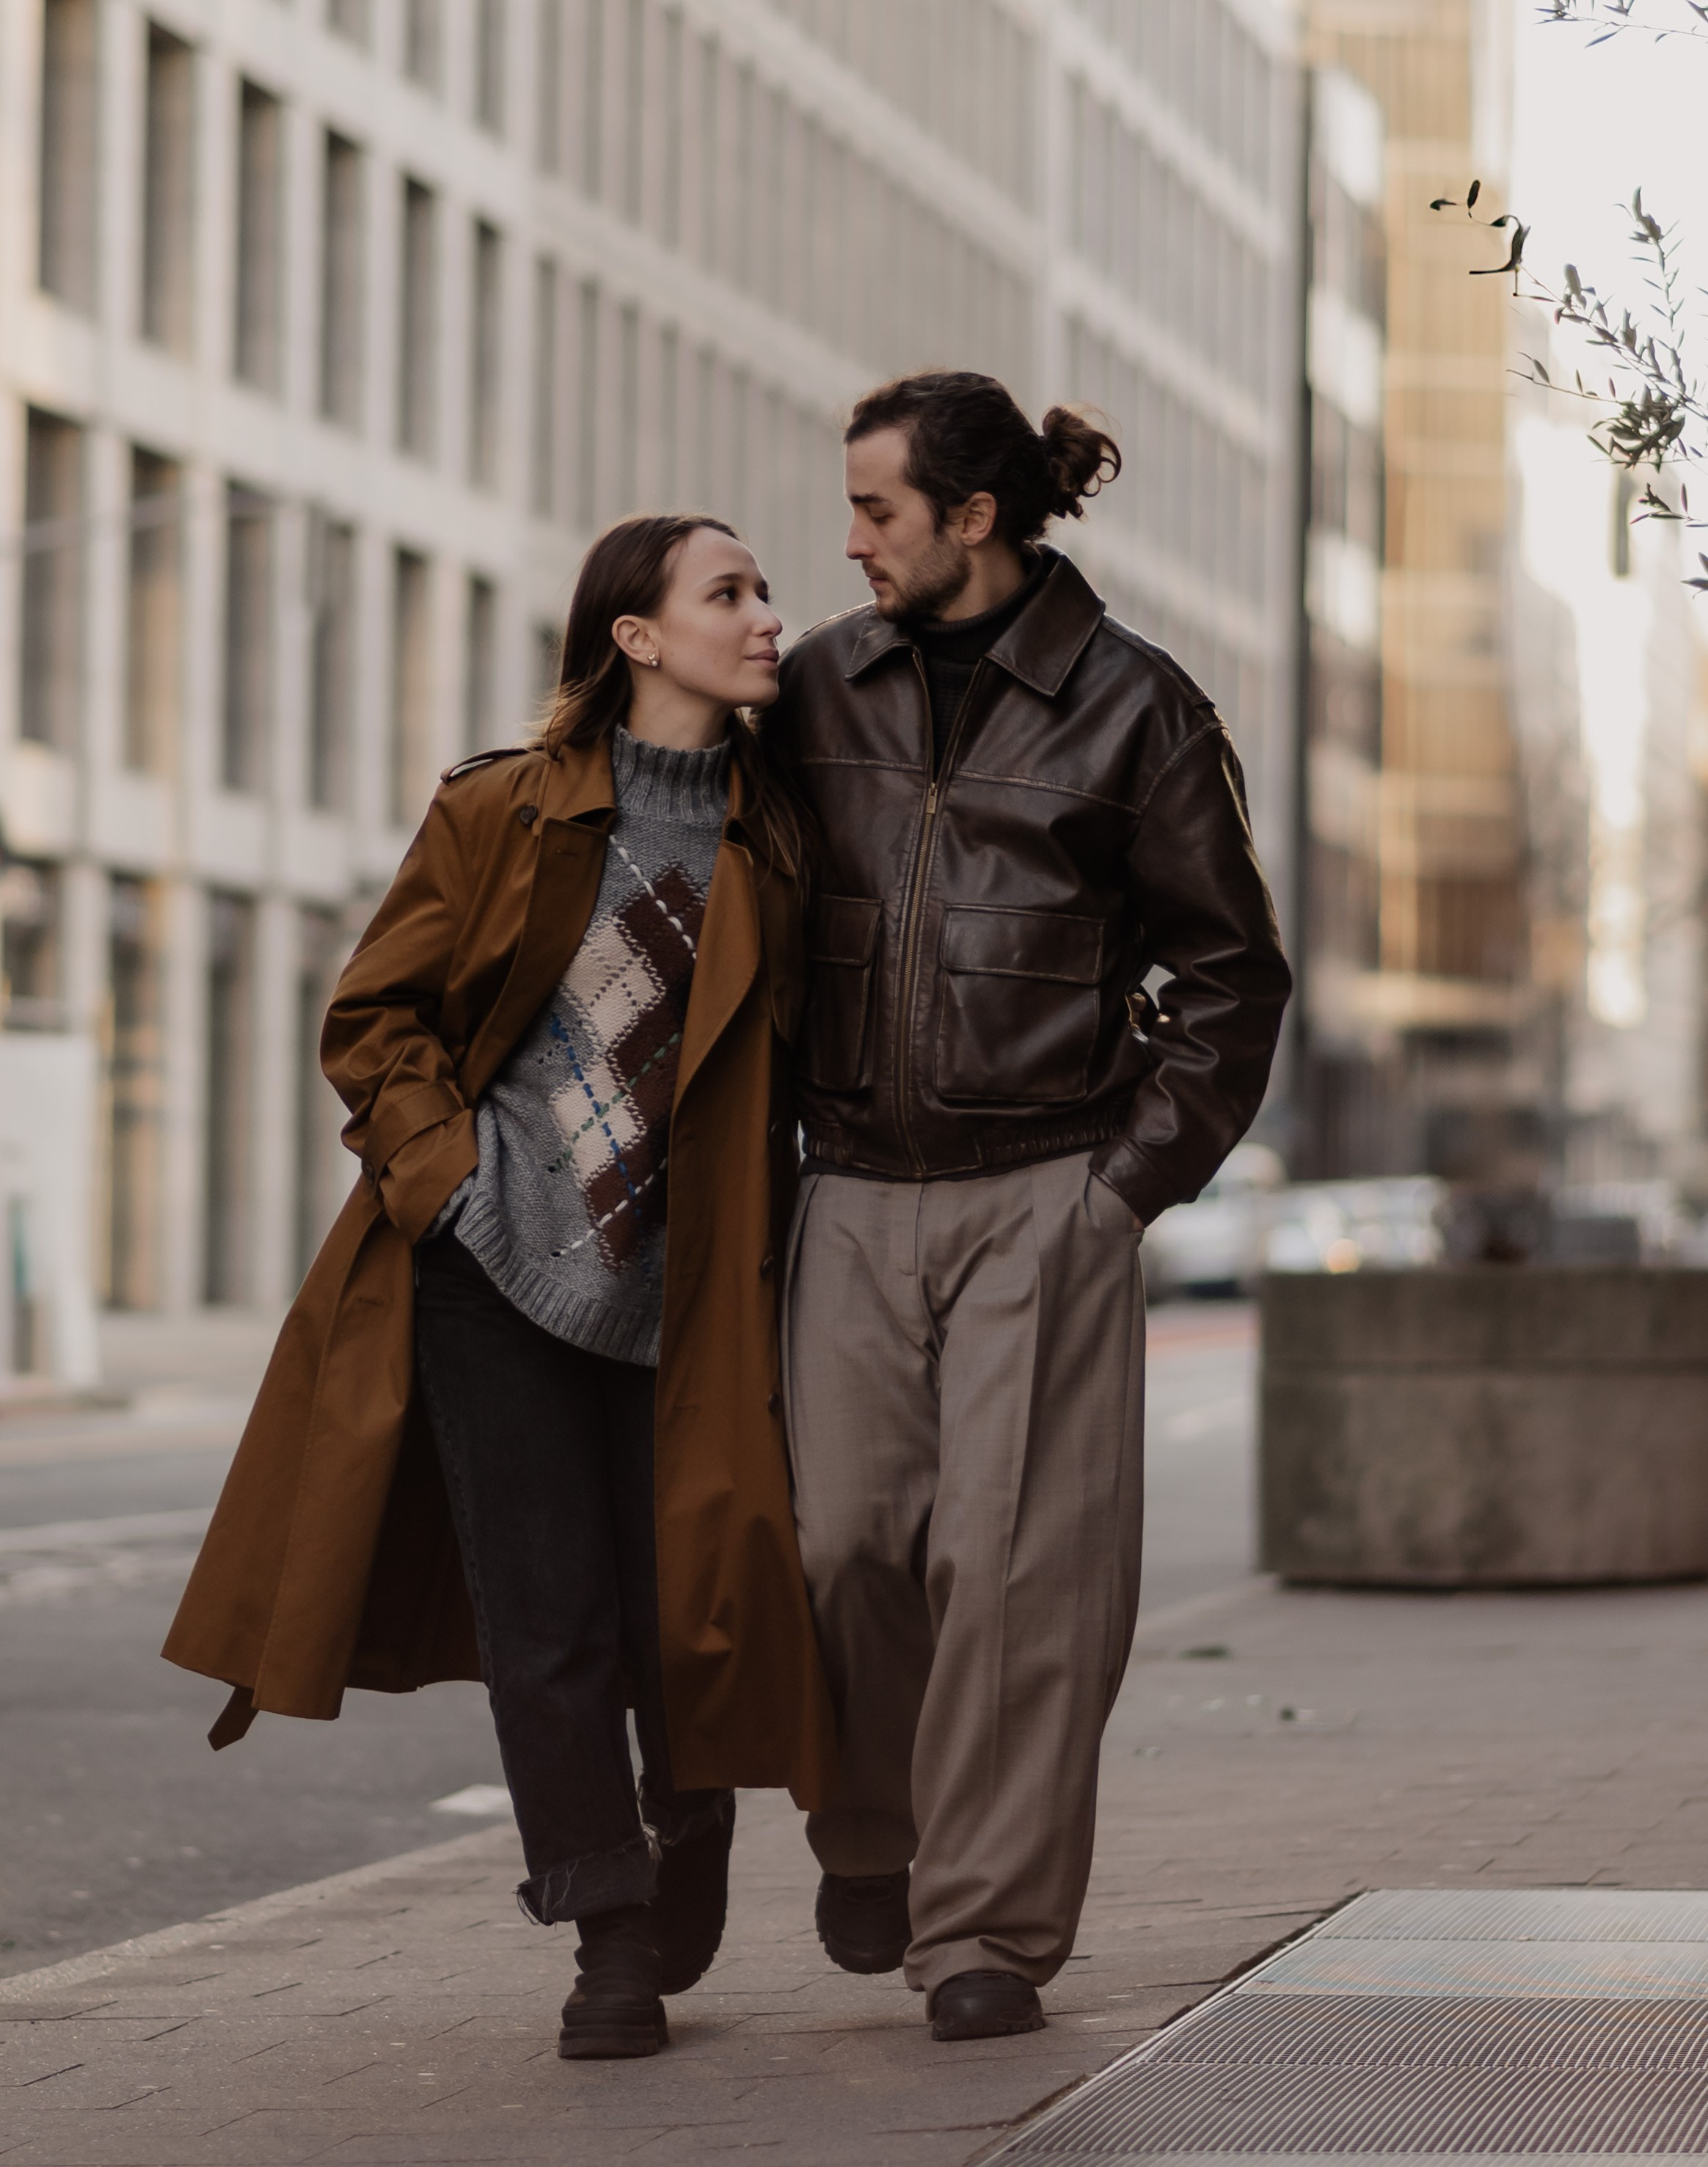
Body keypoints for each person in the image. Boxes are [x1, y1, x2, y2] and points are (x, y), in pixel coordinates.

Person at [165, 514, 836, 2064]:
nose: (766, 616)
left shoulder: (787, 840)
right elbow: (373, 1017)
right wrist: (450, 1185)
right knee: (551, 1620)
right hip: (494, 1277)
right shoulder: (501, 812)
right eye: (729, 593)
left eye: (763, 591)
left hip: (695, 1298)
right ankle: (606, 1933)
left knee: (686, 1611)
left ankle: (689, 1825)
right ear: (636, 637)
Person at [767, 371, 1291, 2044]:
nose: (853, 543)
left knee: (1017, 1578)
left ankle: (984, 1928)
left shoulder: (1137, 707)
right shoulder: (816, 687)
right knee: (843, 1546)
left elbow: (1233, 977)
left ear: (972, 516)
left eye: (877, 511)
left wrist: (1124, 1191)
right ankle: (877, 1833)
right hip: (852, 1186)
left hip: (1045, 1187)